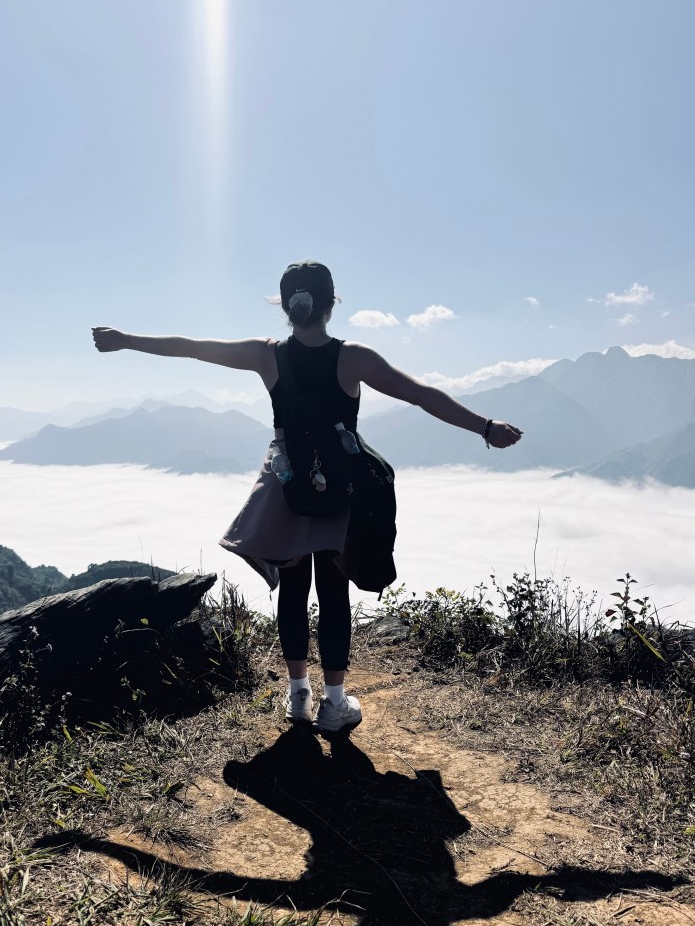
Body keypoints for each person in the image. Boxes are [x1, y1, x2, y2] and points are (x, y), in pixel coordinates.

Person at [92, 261, 522, 735]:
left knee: (294, 591)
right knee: (332, 593)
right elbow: (421, 395)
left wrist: (126, 339)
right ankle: (334, 704)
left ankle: (298, 697)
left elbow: (193, 349)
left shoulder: (266, 355)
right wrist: (484, 426)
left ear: (286, 305)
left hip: (287, 484)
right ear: (331, 302)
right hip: (341, 486)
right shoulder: (352, 357)